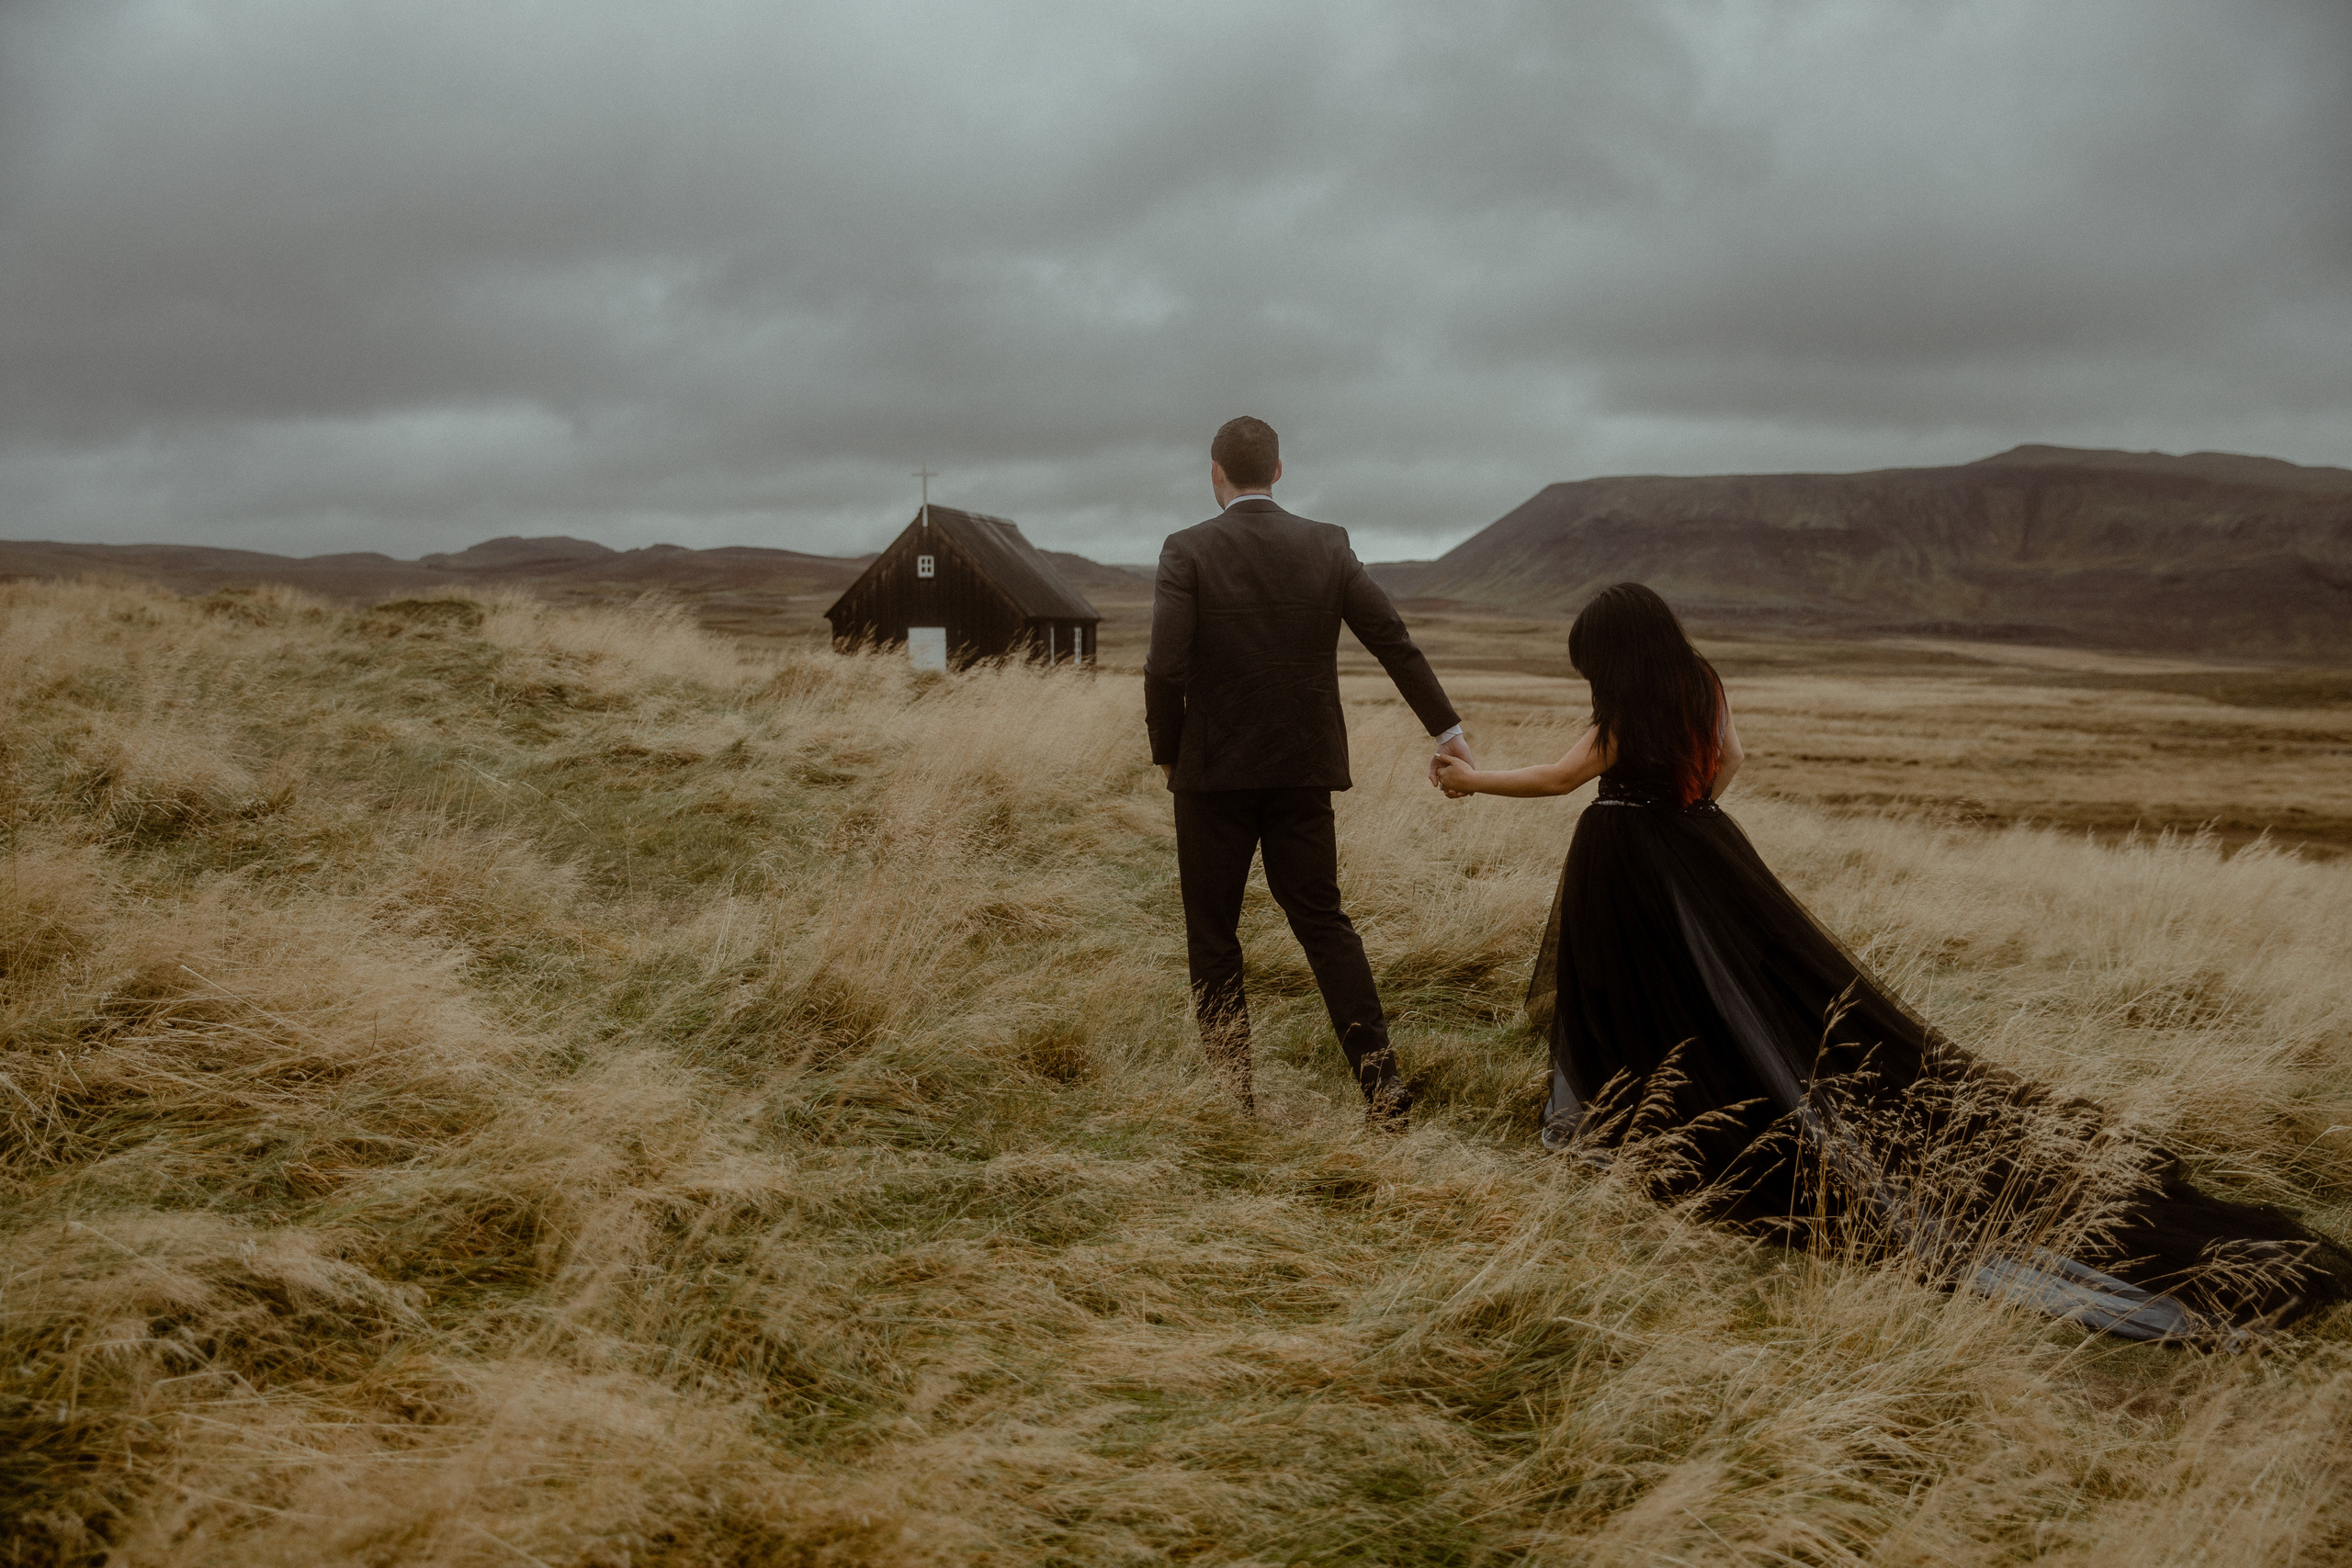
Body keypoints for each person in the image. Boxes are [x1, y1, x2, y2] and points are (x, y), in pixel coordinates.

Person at [1430, 581, 2349, 1339]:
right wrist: (1692, 812)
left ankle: (1636, 1117)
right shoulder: (1699, 682)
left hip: (1629, 862)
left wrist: (1468, 782)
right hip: (1705, 849)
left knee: (1641, 994)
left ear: (1608, 654)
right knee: (1757, 996)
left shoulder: (1624, 707)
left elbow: (1559, 779)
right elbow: (1731, 761)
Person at [1146, 415, 1471, 1128]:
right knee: (1324, 924)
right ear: (1279, 470)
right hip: (1303, 771)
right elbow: (1391, 639)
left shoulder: (1186, 550)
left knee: (1213, 934)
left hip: (1209, 777)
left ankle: (1233, 1101)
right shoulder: (1327, 544)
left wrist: (1167, 749)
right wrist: (1448, 730)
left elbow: (1165, 667)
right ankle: (1384, 1092)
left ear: (1215, 473)